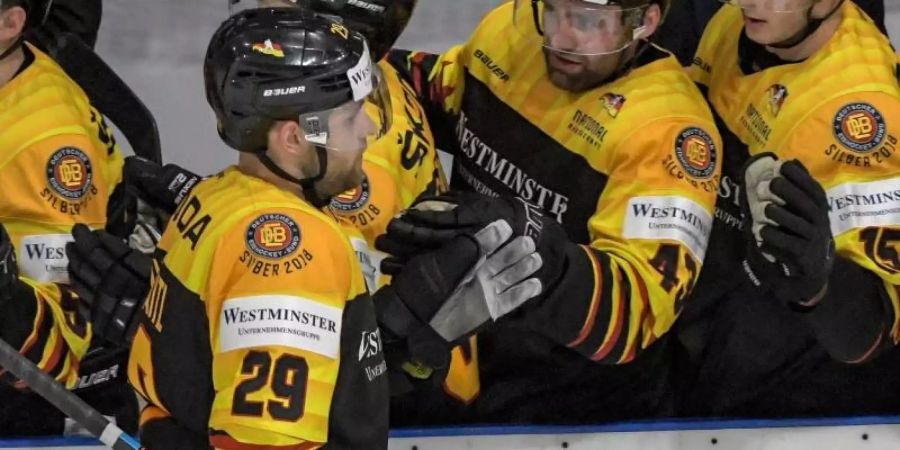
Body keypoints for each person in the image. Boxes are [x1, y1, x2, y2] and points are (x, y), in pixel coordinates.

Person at [123, 7, 544, 448]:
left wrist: (411, 345)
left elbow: (304, 391)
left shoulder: (211, 199)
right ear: (294, 138)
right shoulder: (290, 248)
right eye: (350, 116)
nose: (367, 128)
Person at [379, 0, 722, 424]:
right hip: (463, 363)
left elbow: (635, 313)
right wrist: (360, 58)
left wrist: (531, 244)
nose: (560, 37)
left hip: (580, 409)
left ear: (644, 22)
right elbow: (441, 94)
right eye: (554, 10)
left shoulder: (671, 134)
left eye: (586, 20)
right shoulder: (513, 29)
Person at [678, 0, 900, 417]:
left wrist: (818, 283)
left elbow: (874, 331)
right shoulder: (739, 23)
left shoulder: (862, 117)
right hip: (714, 328)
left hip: (793, 387)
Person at [0, 0, 139, 436]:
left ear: (10, 23)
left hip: (26, 395)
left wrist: (8, 304)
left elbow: (55, 344)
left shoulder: (47, 143)